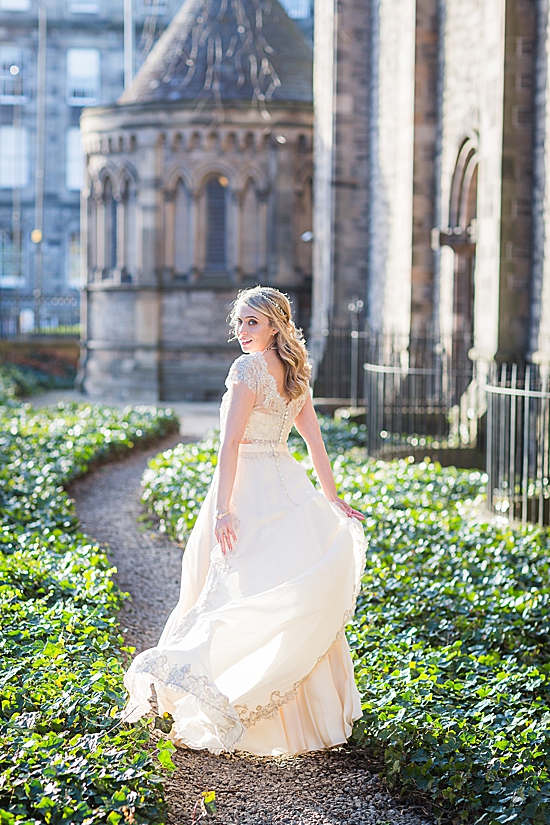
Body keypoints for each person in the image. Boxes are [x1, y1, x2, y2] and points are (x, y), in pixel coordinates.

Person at [123, 286, 366, 756]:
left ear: (275, 325)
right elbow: (314, 444)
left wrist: (222, 511)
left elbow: (229, 444)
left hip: (244, 490)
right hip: (286, 484)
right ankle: (303, 718)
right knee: (273, 588)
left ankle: (213, 694)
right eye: (238, 322)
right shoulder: (294, 374)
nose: (242, 331)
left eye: (252, 322)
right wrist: (329, 498)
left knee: (220, 588)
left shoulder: (246, 370)